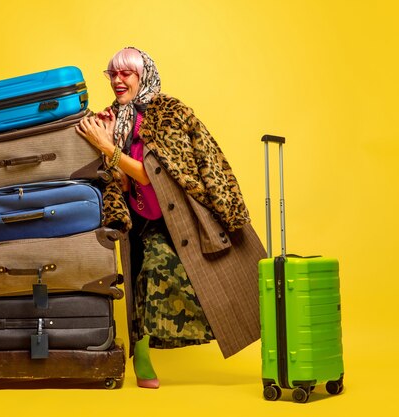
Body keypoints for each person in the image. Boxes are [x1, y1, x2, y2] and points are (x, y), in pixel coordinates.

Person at [76, 47, 267, 389]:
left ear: (143, 76)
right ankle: (143, 356)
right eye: (113, 74)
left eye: (126, 74)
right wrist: (108, 161)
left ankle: (270, 344)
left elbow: (153, 173)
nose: (118, 81)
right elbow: (119, 178)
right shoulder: (111, 120)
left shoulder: (168, 113)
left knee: (224, 280)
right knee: (146, 276)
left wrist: (108, 149)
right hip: (144, 218)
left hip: (187, 216)